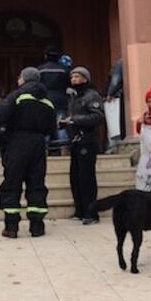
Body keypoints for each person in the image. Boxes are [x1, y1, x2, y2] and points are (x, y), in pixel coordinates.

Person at [0, 67, 57, 238]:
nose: (18, 80)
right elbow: (52, 127)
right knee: (37, 183)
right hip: (39, 144)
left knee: (12, 183)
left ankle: (11, 227)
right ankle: (37, 226)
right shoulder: (47, 100)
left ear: (24, 79)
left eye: (19, 77)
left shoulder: (17, 96)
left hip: (16, 143)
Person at [62, 66, 105, 225]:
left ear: (85, 79)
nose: (73, 79)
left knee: (87, 178)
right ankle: (80, 210)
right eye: (72, 77)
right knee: (75, 177)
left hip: (87, 140)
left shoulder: (91, 95)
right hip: (75, 141)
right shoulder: (73, 96)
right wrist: (65, 122)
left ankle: (91, 213)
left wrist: (75, 120)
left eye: (77, 76)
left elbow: (97, 117)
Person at [38, 46, 71, 149]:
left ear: (46, 56)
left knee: (44, 124)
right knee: (61, 124)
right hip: (61, 99)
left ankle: (44, 150)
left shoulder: (40, 69)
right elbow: (69, 84)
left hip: (45, 99)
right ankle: (64, 150)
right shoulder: (64, 70)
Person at [104, 57, 125, 150]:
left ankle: (114, 146)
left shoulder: (120, 63)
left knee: (115, 123)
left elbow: (116, 80)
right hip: (127, 96)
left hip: (118, 97)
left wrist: (110, 93)